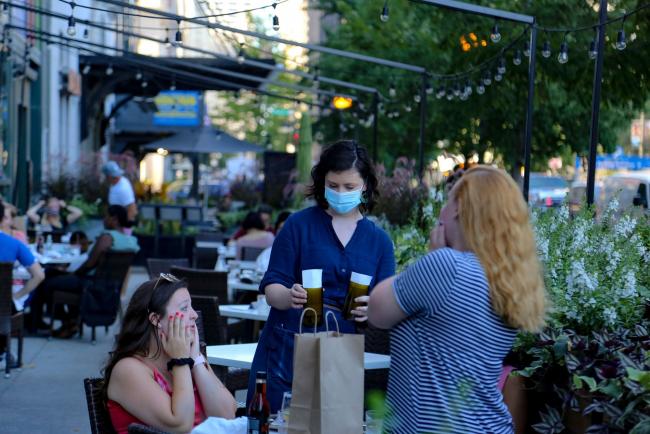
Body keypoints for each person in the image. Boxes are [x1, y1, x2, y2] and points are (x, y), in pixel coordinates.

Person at [368, 165, 546, 434]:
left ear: (459, 208)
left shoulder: (447, 267)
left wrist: (433, 258)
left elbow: (376, 309)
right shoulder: (510, 279)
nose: (441, 212)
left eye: (446, 202)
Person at [247, 140, 396, 412]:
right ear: (322, 183)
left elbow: (386, 306)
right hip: (288, 341)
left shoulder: (380, 242)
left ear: (365, 185)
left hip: (343, 347)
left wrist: (370, 311)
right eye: (333, 185)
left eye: (349, 187)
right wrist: (289, 295)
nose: (340, 193)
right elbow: (272, 288)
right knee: (281, 420)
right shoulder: (298, 225)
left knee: (334, 422)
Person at [103, 274, 237, 433]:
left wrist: (196, 360)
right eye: (185, 308)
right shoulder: (128, 369)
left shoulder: (190, 359)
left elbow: (228, 416)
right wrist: (180, 361)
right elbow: (180, 425)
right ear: (156, 319)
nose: (194, 315)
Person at [29, 205, 140, 338]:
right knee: (52, 273)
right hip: (108, 286)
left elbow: (90, 264)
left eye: (106, 216)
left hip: (89, 284)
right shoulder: (131, 241)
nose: (104, 219)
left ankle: (67, 321)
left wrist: (73, 273)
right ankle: (69, 321)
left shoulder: (107, 237)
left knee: (46, 281)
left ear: (114, 219)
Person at [0, 202, 45, 366]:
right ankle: (4, 353)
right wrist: (16, 296)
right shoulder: (13, 243)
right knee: (10, 305)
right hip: (3, 308)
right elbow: (39, 275)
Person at [102, 161, 138, 231]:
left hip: (121, 226)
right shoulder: (116, 182)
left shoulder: (123, 188)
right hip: (114, 222)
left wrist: (126, 228)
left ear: (109, 177)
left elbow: (132, 208)